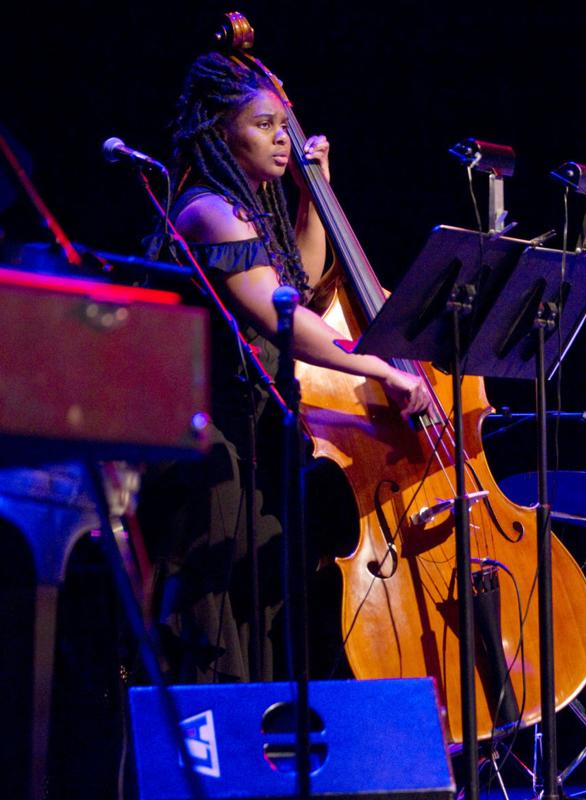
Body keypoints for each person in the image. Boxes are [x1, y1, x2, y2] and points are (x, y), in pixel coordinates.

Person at [140, 52, 429, 683]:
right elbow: (284, 318)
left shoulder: (250, 208)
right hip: (206, 440)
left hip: (257, 432)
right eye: (265, 125)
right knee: (212, 611)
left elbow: (297, 281)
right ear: (221, 131)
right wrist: (381, 366)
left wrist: (309, 196)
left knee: (261, 599)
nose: (282, 138)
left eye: (283, 125)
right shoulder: (207, 209)